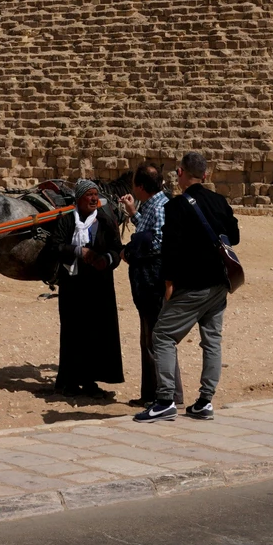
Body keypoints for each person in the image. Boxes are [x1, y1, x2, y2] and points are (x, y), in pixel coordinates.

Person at [136, 152, 238, 423]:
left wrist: (169, 284)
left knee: (162, 336)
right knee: (212, 341)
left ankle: (165, 400)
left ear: (180, 173)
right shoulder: (219, 201)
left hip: (192, 286)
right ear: (205, 175)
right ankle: (205, 401)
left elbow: (170, 251)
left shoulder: (176, 207)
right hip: (219, 284)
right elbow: (234, 236)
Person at [52, 180, 123, 398]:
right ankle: (69, 382)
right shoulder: (67, 221)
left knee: (96, 333)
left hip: (98, 287)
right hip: (73, 287)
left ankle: (90, 381)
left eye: (96, 194)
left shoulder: (105, 221)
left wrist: (106, 259)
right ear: (79, 198)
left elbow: (117, 249)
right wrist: (77, 251)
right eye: (89, 195)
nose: (94, 199)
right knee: (72, 332)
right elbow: (55, 246)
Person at [118, 163, 170, 407]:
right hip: (148, 284)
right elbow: (149, 231)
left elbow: (157, 243)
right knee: (151, 339)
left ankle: (163, 396)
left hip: (153, 284)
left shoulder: (159, 207)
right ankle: (154, 394)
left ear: (140, 187)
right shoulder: (153, 205)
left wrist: (131, 250)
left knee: (155, 340)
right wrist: (133, 213)